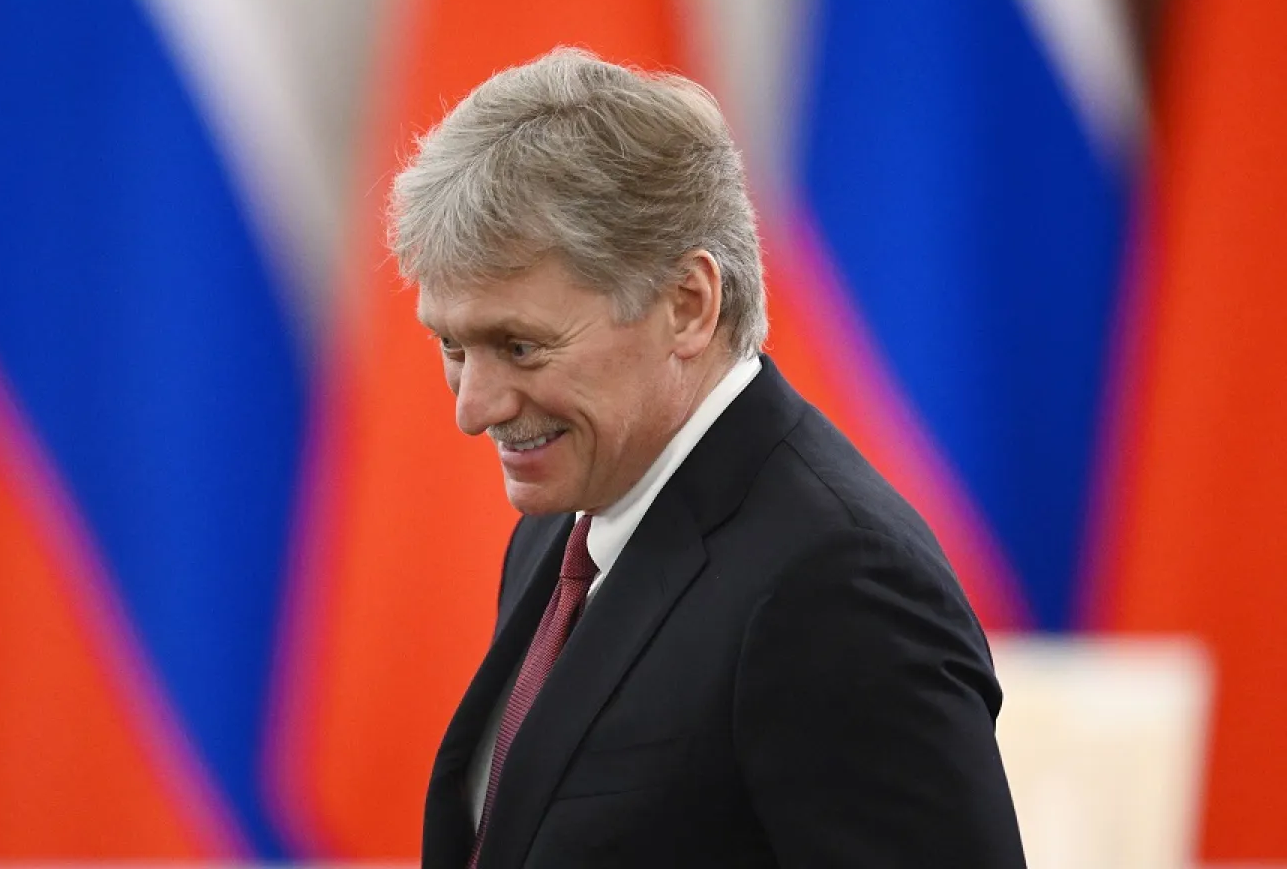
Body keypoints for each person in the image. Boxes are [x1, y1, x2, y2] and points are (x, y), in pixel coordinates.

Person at [392, 48, 1026, 868]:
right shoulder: (567, 526)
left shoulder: (839, 583)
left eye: (520, 346)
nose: (473, 408)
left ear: (688, 304)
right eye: (453, 346)